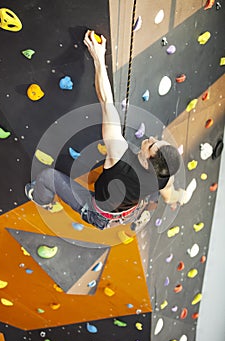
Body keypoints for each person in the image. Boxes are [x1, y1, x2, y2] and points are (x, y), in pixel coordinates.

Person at [25, 30, 196, 230]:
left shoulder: (119, 155)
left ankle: (41, 199)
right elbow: (168, 192)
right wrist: (178, 196)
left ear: (148, 161)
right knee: (168, 193)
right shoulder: (163, 176)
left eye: (151, 145)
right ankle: (176, 200)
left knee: (47, 177)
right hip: (127, 210)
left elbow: (106, 101)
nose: (150, 139)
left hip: (99, 214)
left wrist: (98, 57)